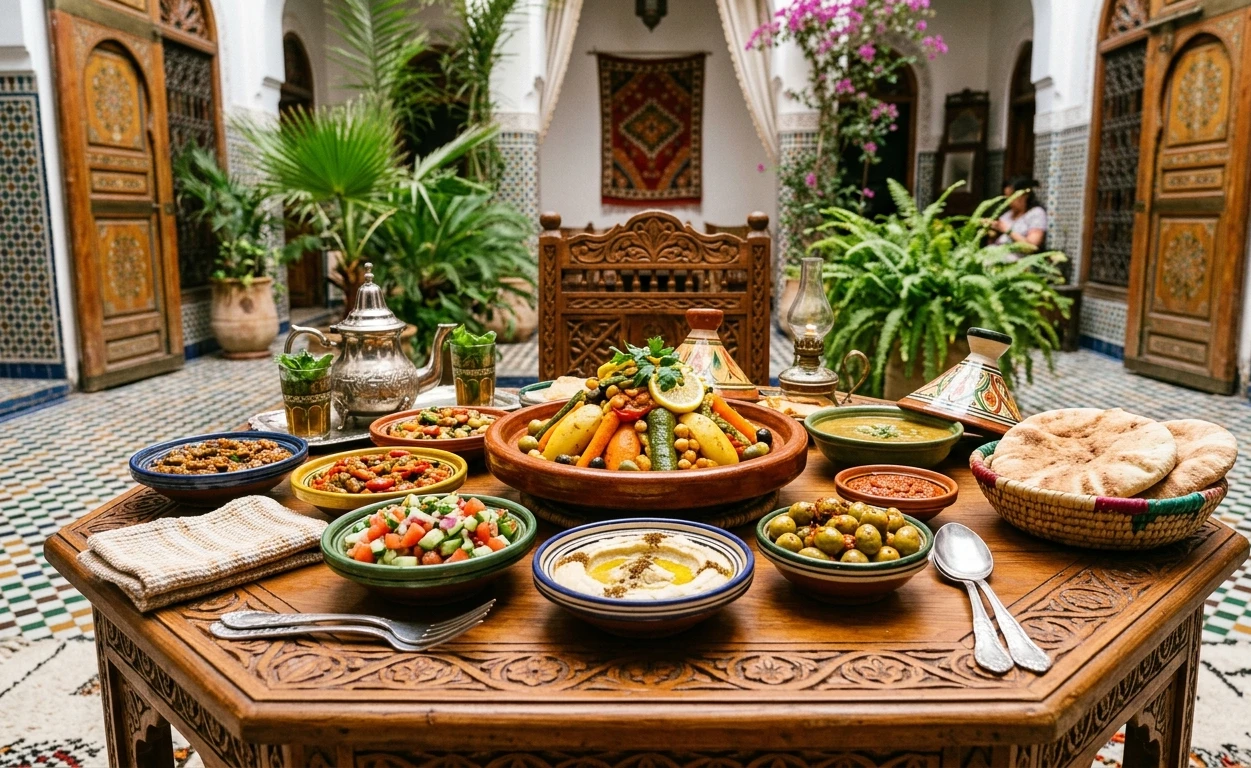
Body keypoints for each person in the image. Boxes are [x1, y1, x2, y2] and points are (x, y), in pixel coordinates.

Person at [987, 176, 1047, 250]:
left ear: (1025, 195)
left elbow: (1032, 247)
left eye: (1012, 197)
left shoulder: (1036, 213)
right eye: (1007, 197)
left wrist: (1007, 230)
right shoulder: (1007, 215)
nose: (1009, 201)